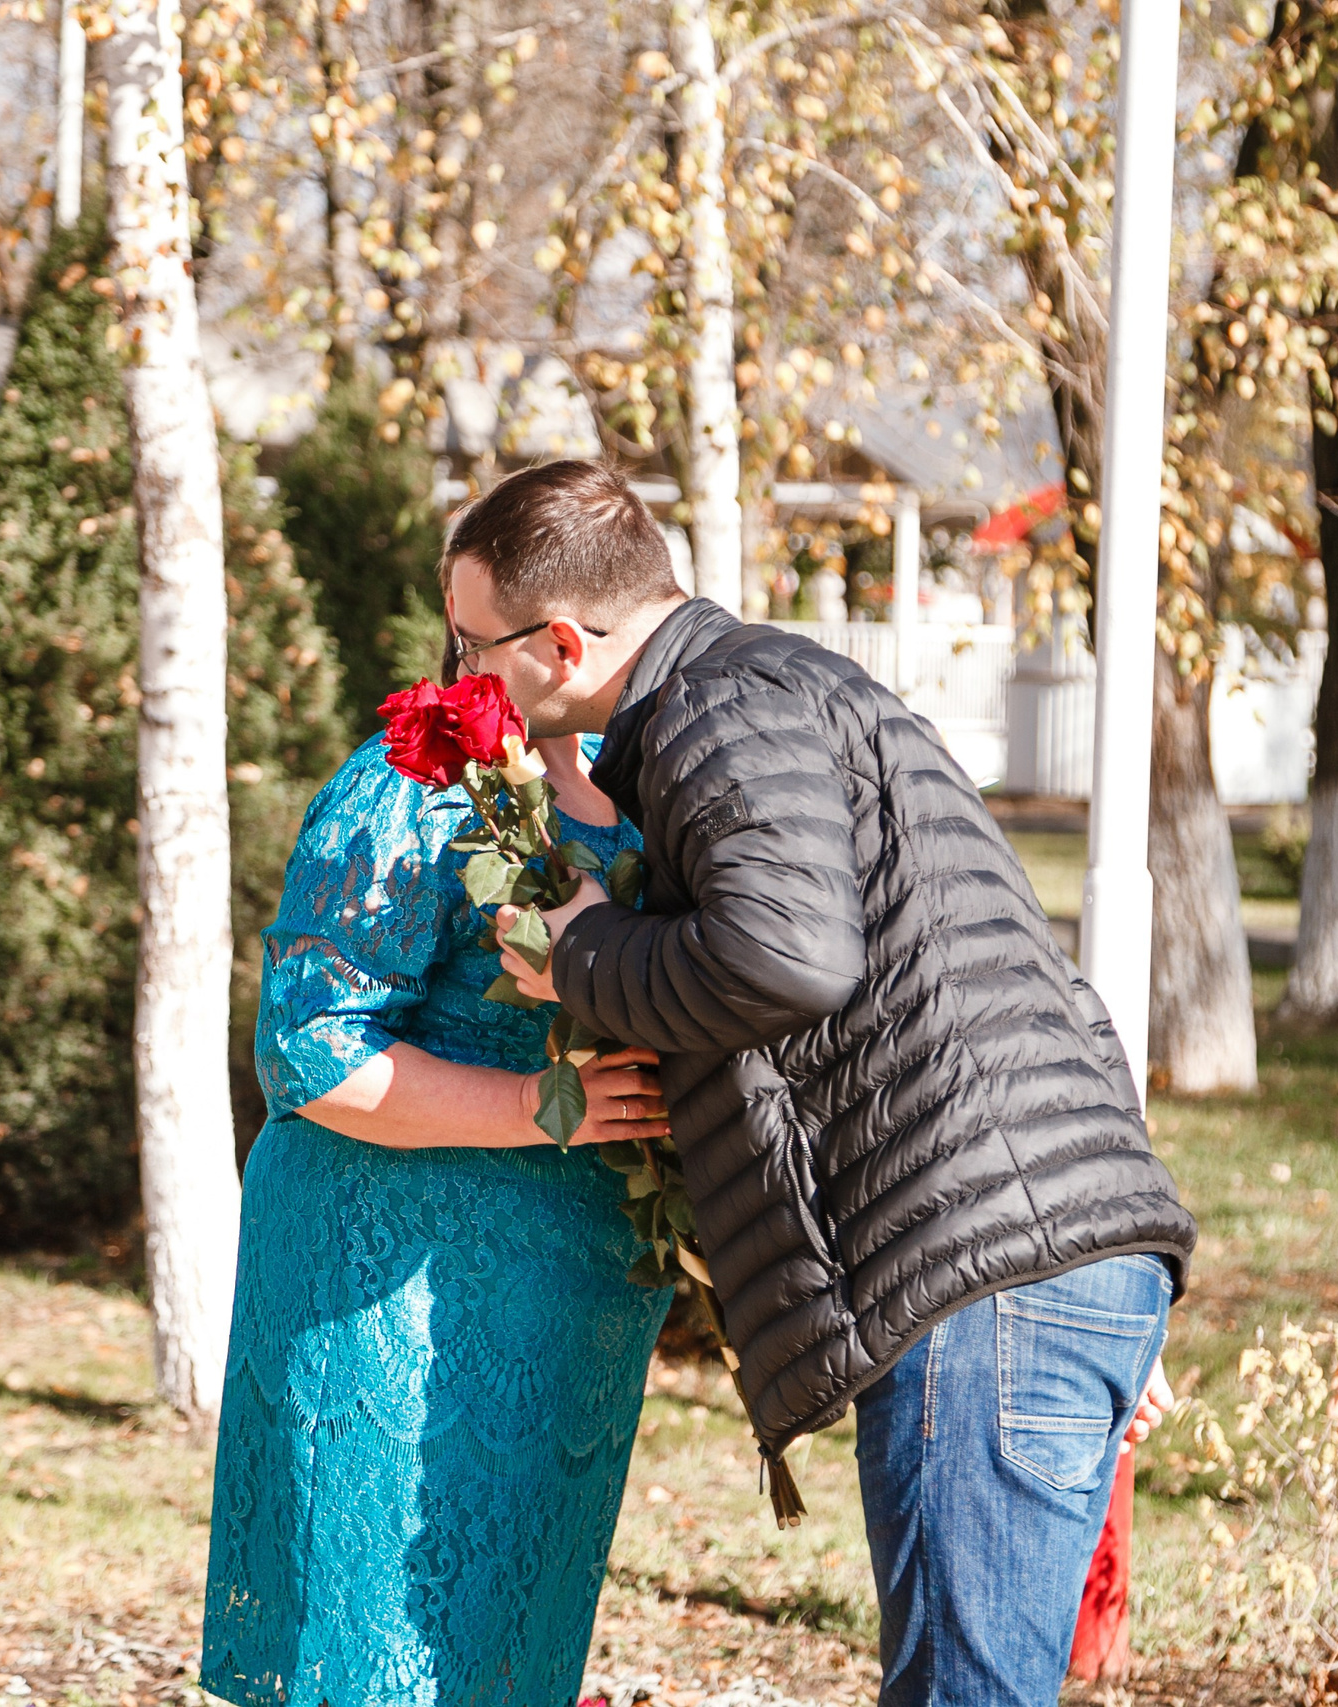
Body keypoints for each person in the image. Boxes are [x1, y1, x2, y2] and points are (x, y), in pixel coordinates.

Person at [471, 460, 1199, 1707]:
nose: (458, 673)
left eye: (470, 642)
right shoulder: (801, 687)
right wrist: (1095, 1264)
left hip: (986, 1292)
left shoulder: (712, 710)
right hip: (1043, 1263)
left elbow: (785, 958)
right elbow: (1025, 977)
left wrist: (579, 959)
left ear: (556, 642)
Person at [199, 688, 677, 1707]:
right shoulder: (404, 786)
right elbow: (310, 1049)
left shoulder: (651, 786)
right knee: (371, 1655)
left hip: (576, 1296)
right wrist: (540, 1105)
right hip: (381, 1287)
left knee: (512, 1649)